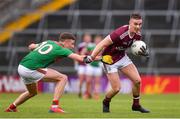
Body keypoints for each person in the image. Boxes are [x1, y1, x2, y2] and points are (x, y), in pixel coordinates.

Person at [5, 32, 91, 113]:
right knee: (63, 78)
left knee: (32, 92)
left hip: (21, 66)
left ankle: (11, 107)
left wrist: (37, 56)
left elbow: (31, 46)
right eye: (72, 44)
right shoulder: (62, 49)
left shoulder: (49, 42)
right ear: (65, 42)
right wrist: (95, 57)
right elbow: (80, 58)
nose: (73, 46)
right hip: (31, 69)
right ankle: (54, 107)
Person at [84, 13, 150, 113]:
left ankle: (136, 105)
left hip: (122, 57)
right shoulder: (120, 33)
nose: (138, 26)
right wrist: (92, 57)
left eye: (140, 24)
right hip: (109, 59)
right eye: (135, 24)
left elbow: (133, 47)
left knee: (137, 81)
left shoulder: (138, 35)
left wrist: (141, 52)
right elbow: (102, 43)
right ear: (130, 23)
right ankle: (106, 101)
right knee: (116, 88)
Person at [86, 35, 103, 100]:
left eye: (99, 40)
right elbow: (86, 53)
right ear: (95, 40)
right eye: (97, 40)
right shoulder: (91, 46)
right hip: (90, 65)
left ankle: (96, 94)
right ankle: (88, 93)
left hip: (98, 67)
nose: (98, 41)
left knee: (97, 82)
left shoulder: (102, 48)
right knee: (88, 81)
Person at [76, 33, 92, 98]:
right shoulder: (81, 46)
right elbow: (77, 54)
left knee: (88, 80)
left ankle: (88, 93)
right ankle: (80, 91)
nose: (87, 39)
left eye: (88, 38)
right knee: (81, 80)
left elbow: (93, 54)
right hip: (81, 65)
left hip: (89, 65)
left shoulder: (92, 45)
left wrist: (88, 52)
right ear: (84, 39)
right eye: (86, 38)